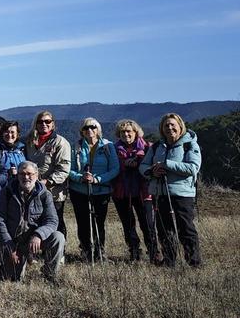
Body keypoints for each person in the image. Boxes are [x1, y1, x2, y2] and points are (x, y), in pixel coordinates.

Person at [140, 113, 202, 267]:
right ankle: (169, 262)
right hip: (159, 193)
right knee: (164, 230)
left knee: (186, 228)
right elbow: (143, 166)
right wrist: (152, 171)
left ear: (180, 126)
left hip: (182, 194)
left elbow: (193, 167)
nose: (169, 128)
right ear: (162, 128)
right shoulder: (156, 146)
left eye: (172, 124)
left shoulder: (190, 144)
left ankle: (194, 263)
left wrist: (167, 164)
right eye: (166, 125)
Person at [0, 161, 65, 283]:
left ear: (36, 175)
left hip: (35, 240)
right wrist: (9, 245)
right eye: (22, 173)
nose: (26, 177)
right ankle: (16, 264)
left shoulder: (45, 195)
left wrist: (38, 235)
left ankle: (49, 273)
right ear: (17, 175)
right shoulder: (7, 192)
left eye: (30, 174)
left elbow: (52, 220)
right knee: (11, 280)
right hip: (14, 242)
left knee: (58, 237)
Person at [69, 118, 119, 262]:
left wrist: (98, 179)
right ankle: (86, 252)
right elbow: (69, 170)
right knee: (83, 223)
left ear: (98, 129)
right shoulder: (76, 147)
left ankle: (99, 252)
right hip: (79, 191)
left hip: (101, 191)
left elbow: (115, 169)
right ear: (82, 131)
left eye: (93, 127)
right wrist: (80, 177)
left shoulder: (108, 146)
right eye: (86, 128)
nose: (89, 130)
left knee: (99, 223)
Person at [112, 119, 157, 263]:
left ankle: (154, 252)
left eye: (129, 131)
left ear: (136, 132)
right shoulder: (113, 149)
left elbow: (151, 167)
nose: (126, 134)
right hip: (121, 192)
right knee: (128, 224)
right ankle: (134, 252)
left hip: (144, 192)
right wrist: (124, 165)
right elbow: (113, 167)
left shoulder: (148, 147)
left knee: (147, 224)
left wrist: (138, 164)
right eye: (122, 132)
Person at [25, 111, 72, 236]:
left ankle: (58, 252)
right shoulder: (29, 141)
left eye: (47, 121)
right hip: (32, 191)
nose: (44, 124)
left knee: (55, 222)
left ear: (53, 124)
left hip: (54, 192)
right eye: (40, 121)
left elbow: (64, 169)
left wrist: (47, 181)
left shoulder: (60, 142)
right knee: (35, 222)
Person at [0, 121, 27, 198]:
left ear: (17, 134)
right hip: (2, 193)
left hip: (21, 192)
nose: (9, 135)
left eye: (12, 132)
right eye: (6, 132)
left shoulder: (22, 150)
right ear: (2, 134)